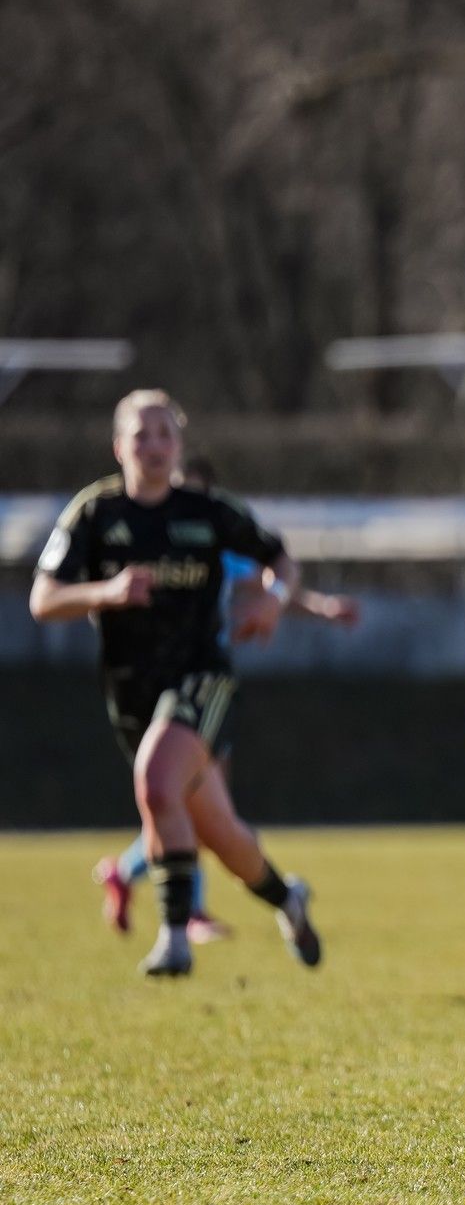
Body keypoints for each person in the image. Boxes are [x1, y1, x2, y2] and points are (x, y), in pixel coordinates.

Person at [31, 390, 323, 978]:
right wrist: (106, 592)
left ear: (180, 446)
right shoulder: (93, 513)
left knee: (156, 781)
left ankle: (174, 939)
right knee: (221, 834)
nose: (155, 445)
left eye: (165, 433)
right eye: (142, 434)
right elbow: (43, 599)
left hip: (201, 678)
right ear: (119, 447)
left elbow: (281, 559)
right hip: (130, 694)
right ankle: (288, 899)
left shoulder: (208, 511)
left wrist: (274, 602)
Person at [92, 456, 360, 943]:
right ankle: (185, 904)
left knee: (194, 806)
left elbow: (271, 581)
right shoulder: (138, 540)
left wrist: (320, 607)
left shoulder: (217, 542)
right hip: (164, 693)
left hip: (204, 691)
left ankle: (139, 879)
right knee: (195, 807)